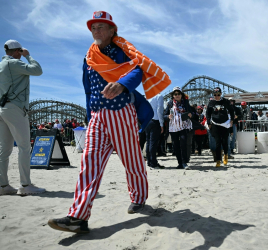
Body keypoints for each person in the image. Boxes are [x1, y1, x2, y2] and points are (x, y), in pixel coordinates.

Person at [48, 11, 171, 234]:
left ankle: (139, 198)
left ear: (113, 30)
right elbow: (88, 90)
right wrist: (88, 114)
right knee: (89, 164)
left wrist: (122, 85)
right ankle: (78, 216)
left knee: (131, 160)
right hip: (97, 116)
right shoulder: (88, 57)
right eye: (93, 27)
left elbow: (137, 71)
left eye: (101, 27)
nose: (96, 31)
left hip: (120, 112)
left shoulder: (123, 51)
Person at [0, 39, 45, 195]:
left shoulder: (1, 65)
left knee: (4, 149)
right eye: (20, 51)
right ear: (17, 51)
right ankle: (25, 185)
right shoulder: (14, 63)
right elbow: (37, 70)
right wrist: (29, 56)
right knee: (24, 147)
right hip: (15, 108)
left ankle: (3, 186)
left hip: (3, 108)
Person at [164, 87, 192, 170]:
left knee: (183, 144)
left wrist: (190, 114)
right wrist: (167, 116)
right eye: (175, 94)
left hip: (184, 126)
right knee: (176, 146)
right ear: (173, 95)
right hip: (173, 127)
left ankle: (184, 162)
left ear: (181, 95)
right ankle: (179, 163)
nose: (177, 95)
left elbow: (191, 112)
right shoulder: (169, 104)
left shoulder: (186, 103)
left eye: (178, 94)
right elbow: (164, 115)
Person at [206, 87, 235, 167]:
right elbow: (208, 114)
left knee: (225, 142)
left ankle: (225, 155)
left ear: (221, 94)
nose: (216, 96)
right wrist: (209, 123)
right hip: (215, 124)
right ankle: (218, 160)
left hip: (225, 124)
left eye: (218, 94)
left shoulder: (225, 101)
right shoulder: (211, 102)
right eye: (215, 95)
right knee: (218, 143)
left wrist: (232, 120)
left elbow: (232, 110)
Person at [145, 94, 165, 169]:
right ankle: (153, 163)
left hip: (148, 121)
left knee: (148, 142)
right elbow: (159, 110)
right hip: (155, 121)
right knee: (153, 143)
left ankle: (149, 162)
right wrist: (161, 124)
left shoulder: (148, 96)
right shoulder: (159, 96)